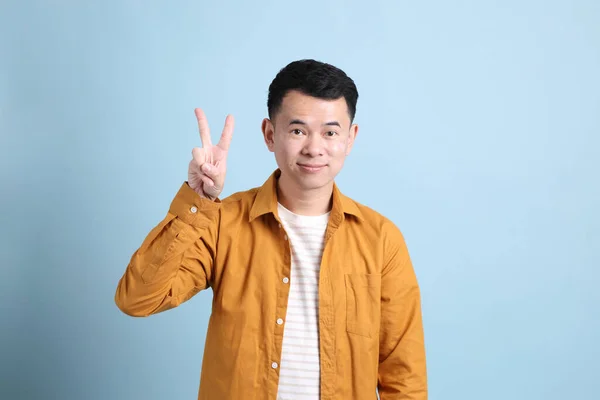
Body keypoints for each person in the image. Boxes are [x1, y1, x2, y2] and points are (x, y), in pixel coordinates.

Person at [115, 59, 427, 400]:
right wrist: (198, 200)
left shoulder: (382, 240)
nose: (314, 148)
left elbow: (404, 376)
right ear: (269, 134)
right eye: (298, 130)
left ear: (350, 138)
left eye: (330, 132)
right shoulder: (223, 222)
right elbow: (138, 299)